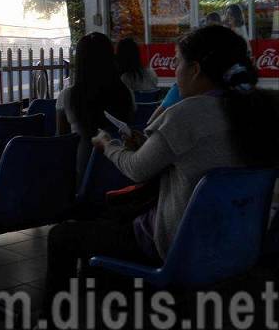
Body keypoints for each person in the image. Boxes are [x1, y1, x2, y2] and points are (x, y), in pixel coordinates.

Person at [44, 26, 279, 324]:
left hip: (178, 245)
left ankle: (53, 319)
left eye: (178, 62)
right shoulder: (260, 109)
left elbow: (136, 170)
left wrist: (109, 145)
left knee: (63, 235)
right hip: (238, 243)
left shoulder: (186, 113)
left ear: (195, 69)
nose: (176, 71)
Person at [55, 32, 134, 183]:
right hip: (123, 175)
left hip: (84, 178)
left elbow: (61, 142)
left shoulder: (68, 96)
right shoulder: (126, 93)